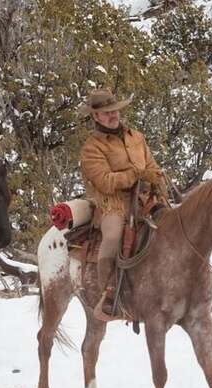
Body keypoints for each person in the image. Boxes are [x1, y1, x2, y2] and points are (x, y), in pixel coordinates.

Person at [78, 88, 169, 318]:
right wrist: (136, 174)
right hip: (113, 202)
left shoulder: (136, 137)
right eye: (107, 113)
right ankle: (109, 292)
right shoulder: (91, 148)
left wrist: (157, 181)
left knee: (172, 222)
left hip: (144, 197)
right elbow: (105, 181)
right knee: (113, 235)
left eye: (115, 111)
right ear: (96, 117)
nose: (113, 115)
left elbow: (152, 166)